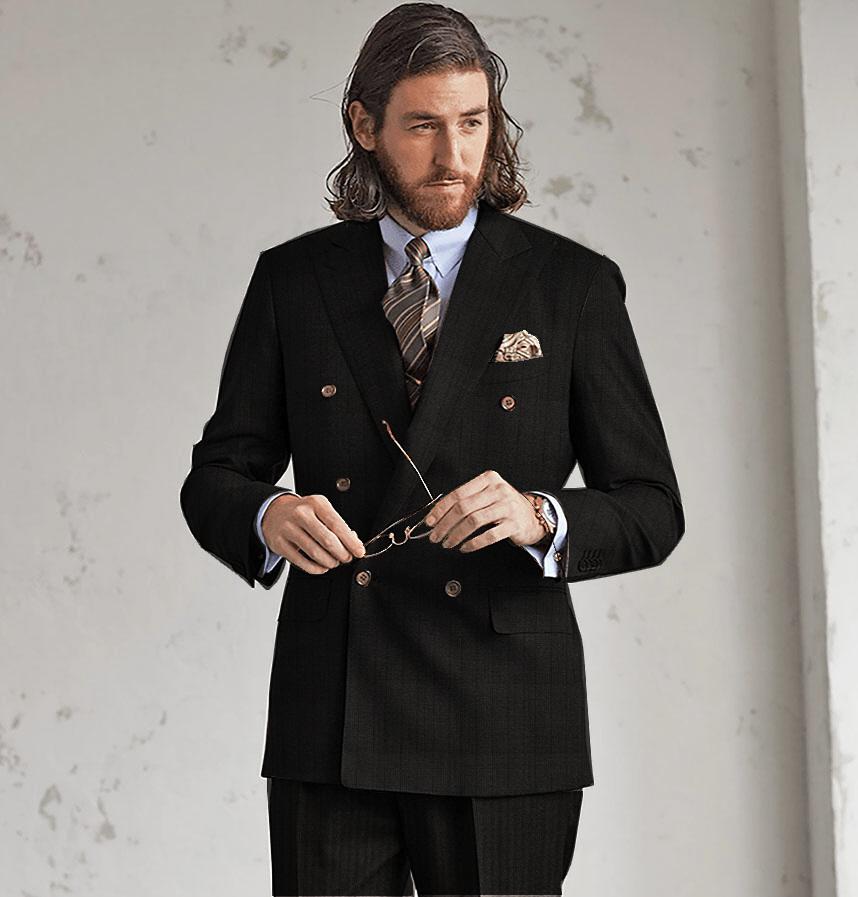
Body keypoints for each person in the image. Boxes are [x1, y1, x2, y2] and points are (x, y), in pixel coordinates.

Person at [179, 3, 684, 894]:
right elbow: (216, 474)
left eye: (473, 123)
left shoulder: (571, 285)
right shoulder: (294, 280)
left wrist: (539, 515)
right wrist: (267, 513)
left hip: (505, 714)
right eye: (422, 126)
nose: (454, 156)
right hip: (334, 706)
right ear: (364, 125)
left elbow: (651, 506)